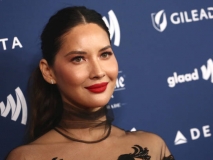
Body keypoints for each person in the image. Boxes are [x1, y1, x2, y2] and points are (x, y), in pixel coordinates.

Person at [6, 6, 174, 160]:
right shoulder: (26, 157)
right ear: (48, 71)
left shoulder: (153, 147)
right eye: (78, 59)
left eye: (105, 54)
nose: (98, 72)